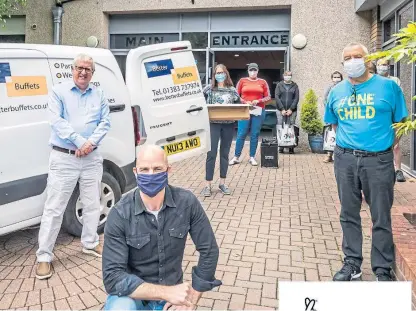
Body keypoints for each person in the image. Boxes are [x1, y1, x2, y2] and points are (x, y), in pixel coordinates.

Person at [324, 43, 408, 282]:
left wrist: (385, 146)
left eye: (357, 56)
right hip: (345, 159)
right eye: (347, 57)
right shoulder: (336, 91)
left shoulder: (388, 87)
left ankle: (382, 268)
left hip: (378, 160)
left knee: (380, 215)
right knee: (348, 213)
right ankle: (352, 263)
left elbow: (400, 122)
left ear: (368, 59)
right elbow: (333, 122)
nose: (352, 61)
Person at [102, 145, 221, 311]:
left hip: (172, 299)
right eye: (144, 169)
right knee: (120, 308)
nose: (151, 174)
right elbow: (113, 278)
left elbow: (209, 250)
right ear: (136, 172)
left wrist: (191, 298)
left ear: (168, 170)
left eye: (157, 168)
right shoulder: (120, 214)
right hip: (134, 296)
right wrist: (166, 293)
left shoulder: (187, 203)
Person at [36, 54, 111, 280]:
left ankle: (90, 242)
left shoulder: (99, 95)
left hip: (91, 158)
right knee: (54, 208)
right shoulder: (59, 92)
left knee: (91, 203)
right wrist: (80, 142)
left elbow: (105, 122)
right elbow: (57, 122)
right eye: (79, 68)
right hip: (64, 158)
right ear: (72, 69)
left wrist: (89, 145)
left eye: (88, 69)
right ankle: (44, 257)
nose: (83, 72)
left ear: (92, 73)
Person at [202, 64, 240, 197]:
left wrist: (250, 104)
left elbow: (240, 103)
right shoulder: (209, 89)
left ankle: (222, 183)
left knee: (224, 154)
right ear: (214, 75)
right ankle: (207, 185)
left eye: (222, 72)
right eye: (217, 73)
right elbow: (198, 100)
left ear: (226, 74)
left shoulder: (232, 90)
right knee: (211, 154)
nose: (219, 75)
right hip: (213, 125)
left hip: (228, 125)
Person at [229, 63, 271, 166]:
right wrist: (244, 101)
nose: (253, 72)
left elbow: (268, 97)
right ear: (248, 71)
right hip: (244, 109)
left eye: (255, 70)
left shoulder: (262, 82)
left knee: (255, 134)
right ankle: (236, 156)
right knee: (241, 133)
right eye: (251, 70)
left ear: (258, 71)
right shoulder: (242, 81)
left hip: (258, 110)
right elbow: (236, 95)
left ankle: (252, 157)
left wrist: (259, 100)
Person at [376, 58, 406, 182]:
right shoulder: (373, 81)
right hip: (381, 118)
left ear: (389, 66)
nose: (382, 67)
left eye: (385, 64)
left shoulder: (395, 81)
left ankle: (398, 170)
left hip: (393, 117)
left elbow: (398, 99)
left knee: (396, 145)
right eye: (380, 64)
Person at [274, 71, 300, 154]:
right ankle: (281, 146)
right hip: (280, 110)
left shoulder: (295, 86)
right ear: (283, 76)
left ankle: (291, 146)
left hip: (292, 111)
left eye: (289, 75)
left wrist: (291, 109)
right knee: (281, 127)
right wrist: (282, 109)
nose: (287, 77)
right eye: (286, 75)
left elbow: (296, 98)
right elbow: (277, 97)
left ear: (291, 76)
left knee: (291, 127)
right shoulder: (279, 85)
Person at [323, 71, 344, 163]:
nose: (336, 79)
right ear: (332, 78)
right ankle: (329, 155)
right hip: (332, 114)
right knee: (330, 134)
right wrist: (331, 110)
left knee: (340, 134)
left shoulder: (344, 88)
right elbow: (325, 100)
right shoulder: (330, 88)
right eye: (335, 77)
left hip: (342, 115)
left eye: (338, 77)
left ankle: (339, 155)